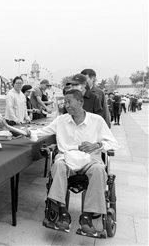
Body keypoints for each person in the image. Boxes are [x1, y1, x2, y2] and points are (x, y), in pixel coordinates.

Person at [30, 89, 118, 234]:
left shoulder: (96, 120)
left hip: (89, 159)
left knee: (98, 169)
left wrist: (97, 145)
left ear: (80, 102)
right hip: (67, 158)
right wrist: (26, 132)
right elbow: (42, 131)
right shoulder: (61, 120)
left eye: (69, 101)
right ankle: (63, 212)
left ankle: (87, 217)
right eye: (65, 102)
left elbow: (113, 143)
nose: (66, 105)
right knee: (58, 164)